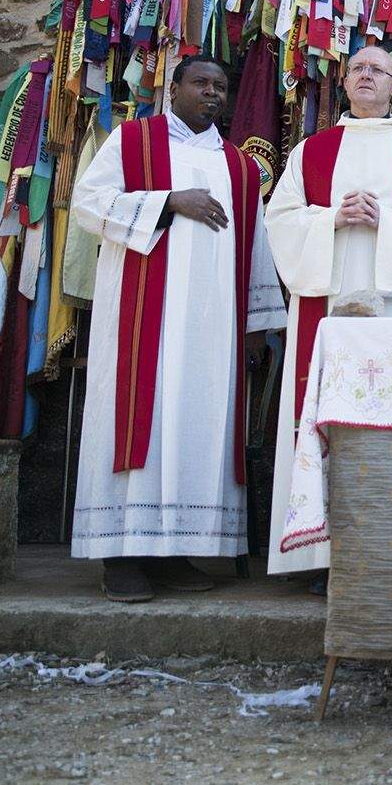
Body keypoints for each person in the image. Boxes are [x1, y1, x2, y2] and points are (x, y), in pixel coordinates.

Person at [68, 56, 286, 603]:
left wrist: (258, 324)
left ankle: (171, 553)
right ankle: (121, 556)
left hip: (214, 324)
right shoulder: (132, 140)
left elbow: (256, 243)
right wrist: (168, 202)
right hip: (143, 320)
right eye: (201, 83)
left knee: (196, 423)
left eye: (220, 87)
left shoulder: (239, 165)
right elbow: (87, 205)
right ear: (175, 88)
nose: (211, 93)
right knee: (140, 420)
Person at [264, 45, 392, 582]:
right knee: (317, 412)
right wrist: (330, 218)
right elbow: (279, 218)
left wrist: (388, 222)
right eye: (357, 69)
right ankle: (310, 553)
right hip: (321, 305)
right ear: (344, 83)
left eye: (378, 69)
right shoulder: (313, 149)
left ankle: (382, 553)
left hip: (391, 305)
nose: (366, 76)